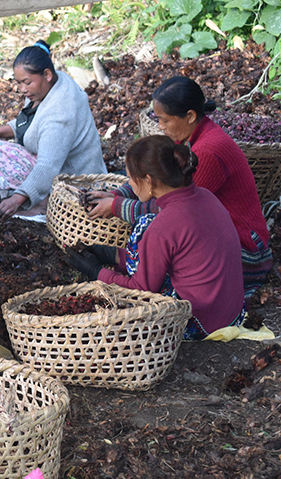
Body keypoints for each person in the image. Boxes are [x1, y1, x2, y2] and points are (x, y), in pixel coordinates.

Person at [87, 76, 272, 298]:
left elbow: (171, 213)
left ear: (190, 116)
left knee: (154, 235)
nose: (160, 127)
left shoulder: (208, 153)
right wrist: (118, 194)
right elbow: (154, 173)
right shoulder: (188, 138)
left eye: (165, 120)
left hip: (245, 252)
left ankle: (124, 266)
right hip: (216, 234)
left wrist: (116, 206)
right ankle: (122, 260)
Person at [67, 136, 245, 340]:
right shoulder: (206, 196)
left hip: (199, 322)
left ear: (149, 181)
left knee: (144, 226)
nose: (130, 185)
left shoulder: (162, 225)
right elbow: (175, 256)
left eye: (131, 179)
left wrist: (96, 273)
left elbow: (141, 290)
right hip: (232, 314)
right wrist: (112, 256)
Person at [0, 40, 106, 220]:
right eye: (18, 83)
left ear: (47, 74)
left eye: (26, 82)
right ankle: (34, 199)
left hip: (76, 180)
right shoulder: (49, 85)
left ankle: (44, 207)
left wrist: (17, 200)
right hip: (59, 165)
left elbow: (47, 166)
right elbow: (30, 122)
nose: (22, 89)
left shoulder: (60, 113)